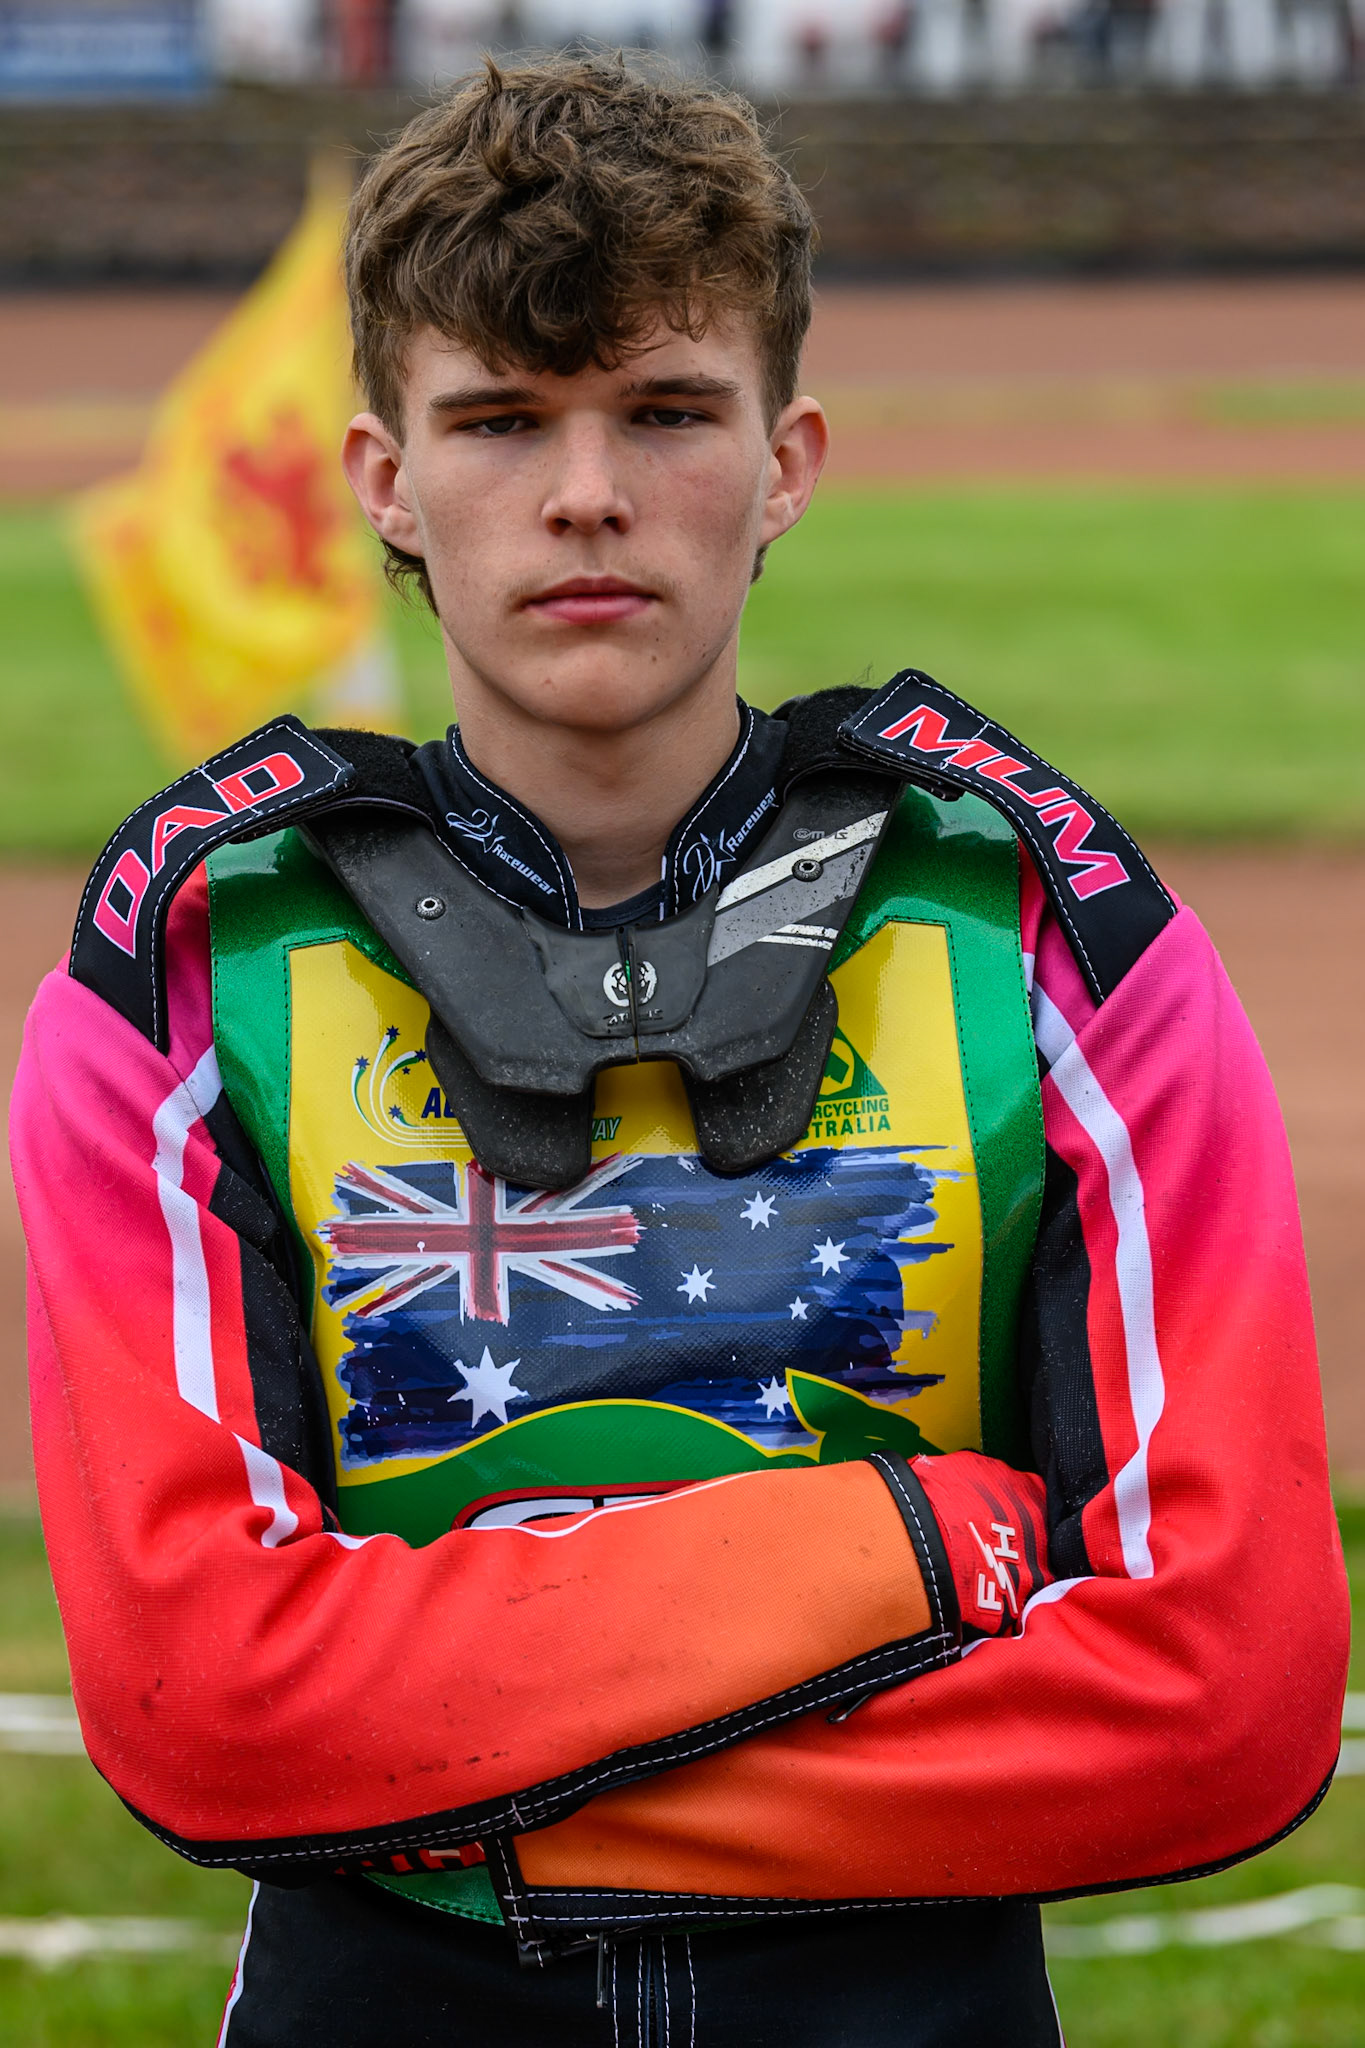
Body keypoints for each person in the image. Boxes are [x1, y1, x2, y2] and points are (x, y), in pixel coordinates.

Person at [11, 55, 1348, 2048]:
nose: (583, 494)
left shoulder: (1050, 939)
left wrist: (447, 1796)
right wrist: (910, 1545)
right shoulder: (187, 972)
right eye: (496, 420)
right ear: (382, 475)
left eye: (659, 411)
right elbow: (198, 1701)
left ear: (785, 455)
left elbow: (1221, 1693)